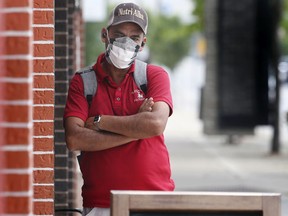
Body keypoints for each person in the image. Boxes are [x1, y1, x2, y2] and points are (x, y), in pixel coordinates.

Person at [64, 2, 175, 216]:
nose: (126, 42)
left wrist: (99, 121)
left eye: (134, 37)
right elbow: (75, 139)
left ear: (143, 43)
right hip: (101, 203)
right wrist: (136, 128)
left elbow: (155, 124)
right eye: (119, 34)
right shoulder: (83, 81)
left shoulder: (154, 76)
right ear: (105, 35)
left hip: (154, 200)